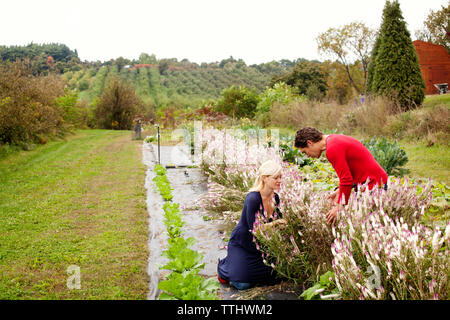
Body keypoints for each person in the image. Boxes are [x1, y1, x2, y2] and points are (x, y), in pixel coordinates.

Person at [294, 127, 388, 225]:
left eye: (305, 152)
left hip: (374, 186)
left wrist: (339, 206)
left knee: (362, 225)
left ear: (309, 143)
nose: (307, 156)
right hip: (375, 182)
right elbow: (353, 171)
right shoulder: (333, 139)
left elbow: (346, 179)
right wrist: (340, 190)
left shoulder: (332, 149)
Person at [217, 160, 287, 290]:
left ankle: (241, 268)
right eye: (276, 177)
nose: (279, 180)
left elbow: (279, 219)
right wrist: (276, 224)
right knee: (243, 284)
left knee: (278, 275)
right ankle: (224, 270)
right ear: (264, 178)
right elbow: (253, 228)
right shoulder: (253, 198)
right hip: (244, 242)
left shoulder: (275, 197)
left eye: (280, 177)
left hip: (262, 243)